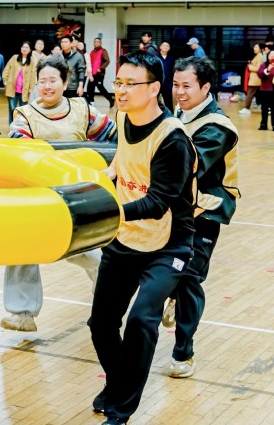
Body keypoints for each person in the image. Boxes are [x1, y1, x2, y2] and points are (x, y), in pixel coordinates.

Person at [90, 50, 196, 425]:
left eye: (129, 84)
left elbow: (157, 202)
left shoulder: (173, 139)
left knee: (141, 320)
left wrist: (108, 210)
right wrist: (101, 179)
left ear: (153, 88)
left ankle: (120, 410)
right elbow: (122, 162)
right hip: (126, 237)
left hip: (169, 245)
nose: (120, 90)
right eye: (117, 82)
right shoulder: (124, 117)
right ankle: (118, 383)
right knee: (101, 324)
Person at [1, 54, 117, 332]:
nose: (47, 86)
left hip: (78, 197)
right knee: (22, 247)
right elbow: (17, 151)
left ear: (65, 83)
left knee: (89, 254)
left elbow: (114, 136)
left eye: (53, 80)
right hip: (38, 198)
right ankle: (22, 313)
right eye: (42, 81)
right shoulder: (25, 115)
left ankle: (108, 297)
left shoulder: (82, 110)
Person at [162, 56, 239, 379]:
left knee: (190, 278)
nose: (179, 92)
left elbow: (188, 164)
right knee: (169, 272)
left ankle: (184, 353)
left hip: (206, 210)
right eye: (175, 85)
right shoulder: (177, 114)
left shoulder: (218, 127)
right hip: (175, 208)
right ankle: (172, 294)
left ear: (206, 87)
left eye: (186, 86)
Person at [1, 41, 37, 124]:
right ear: (20, 48)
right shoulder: (15, 58)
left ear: (30, 50)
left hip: (25, 90)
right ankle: (12, 126)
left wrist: (30, 90)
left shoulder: (32, 61)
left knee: (23, 110)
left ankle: (20, 127)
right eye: (23, 47)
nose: (24, 49)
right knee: (12, 109)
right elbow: (6, 70)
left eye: (27, 47)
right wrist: (5, 82)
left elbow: (33, 77)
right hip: (12, 89)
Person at [257, 51, 274, 131]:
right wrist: (267, 70)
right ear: (268, 56)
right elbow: (259, 74)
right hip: (265, 89)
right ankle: (263, 124)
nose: (272, 56)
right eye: (271, 54)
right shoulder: (263, 65)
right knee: (264, 108)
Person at [87, 37, 114, 108]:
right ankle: (91, 102)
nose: (96, 43)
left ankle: (110, 99)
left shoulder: (103, 51)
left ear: (100, 43)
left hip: (99, 74)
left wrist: (101, 68)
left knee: (100, 88)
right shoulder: (92, 52)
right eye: (95, 42)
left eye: (98, 42)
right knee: (90, 88)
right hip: (92, 74)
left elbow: (107, 61)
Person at [239, 43, 264, 114]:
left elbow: (259, 69)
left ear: (260, 49)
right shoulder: (258, 56)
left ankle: (247, 108)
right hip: (255, 78)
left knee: (250, 93)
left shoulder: (260, 57)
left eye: (256, 47)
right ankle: (260, 105)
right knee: (256, 93)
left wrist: (250, 67)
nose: (254, 48)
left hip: (255, 79)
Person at [61, 34, 86, 98]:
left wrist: (80, 87)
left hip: (73, 87)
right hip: (60, 86)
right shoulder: (58, 55)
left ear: (71, 43)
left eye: (65, 42)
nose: (63, 44)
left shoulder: (78, 56)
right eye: (62, 42)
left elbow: (81, 72)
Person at [159, 40, 176, 113]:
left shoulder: (171, 58)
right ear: (160, 47)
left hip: (168, 83)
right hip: (158, 82)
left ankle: (169, 114)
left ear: (169, 48)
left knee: (168, 101)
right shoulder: (156, 57)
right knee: (154, 100)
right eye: (164, 45)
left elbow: (173, 70)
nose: (165, 47)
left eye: (167, 46)